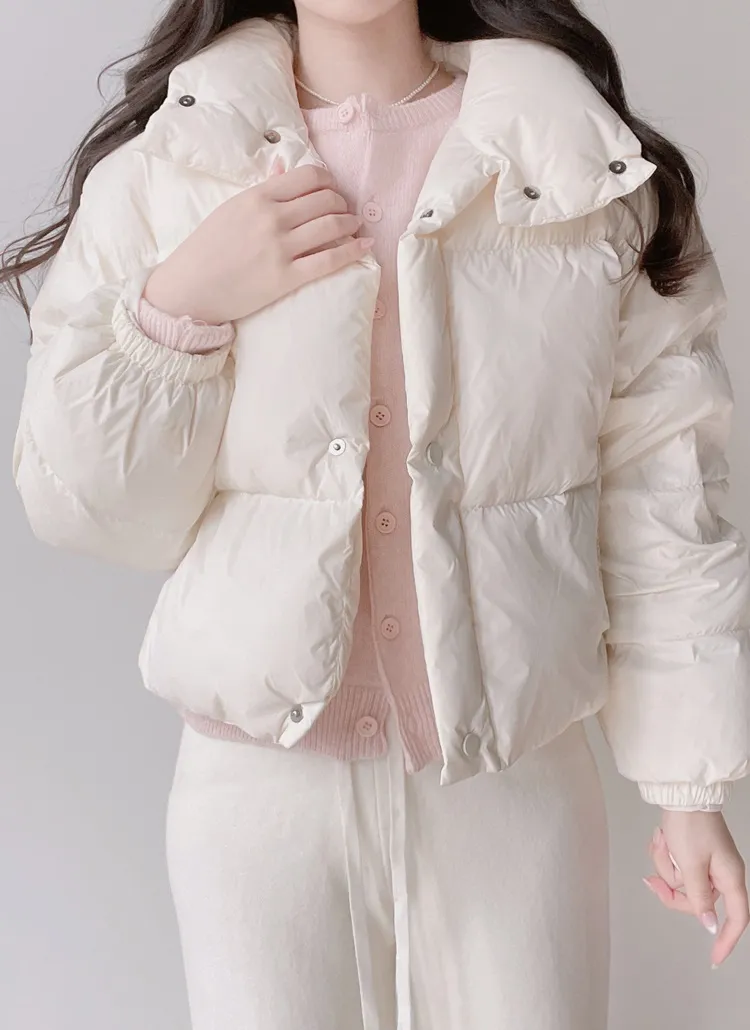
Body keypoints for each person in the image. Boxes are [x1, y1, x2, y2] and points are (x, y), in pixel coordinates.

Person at [3, 1, 749, 1027]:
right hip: (256, 796)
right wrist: (179, 306)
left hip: (513, 782)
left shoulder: (577, 163)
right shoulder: (171, 168)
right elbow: (84, 507)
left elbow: (666, 488)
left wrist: (687, 786)